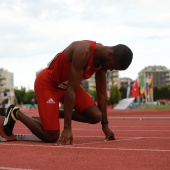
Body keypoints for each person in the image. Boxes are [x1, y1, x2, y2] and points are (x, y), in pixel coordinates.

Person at [3, 40, 133, 144]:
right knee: (51, 137)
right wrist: (67, 128)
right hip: (48, 84)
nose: (110, 70)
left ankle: (53, 114)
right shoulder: (83, 51)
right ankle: (15, 112)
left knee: (95, 116)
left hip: (65, 87)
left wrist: (105, 125)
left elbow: (102, 95)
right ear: (110, 55)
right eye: (113, 67)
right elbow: (72, 89)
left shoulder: (102, 63)